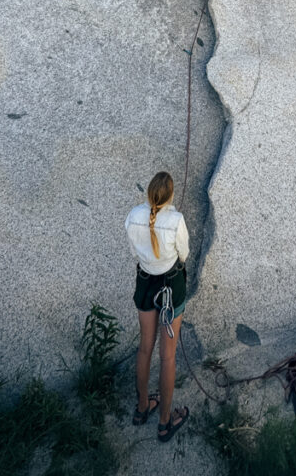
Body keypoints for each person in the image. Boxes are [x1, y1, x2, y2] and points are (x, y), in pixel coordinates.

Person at [126, 171, 190, 441]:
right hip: (170, 286)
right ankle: (165, 422)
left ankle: (142, 408)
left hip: (145, 283)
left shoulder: (132, 216)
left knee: (145, 348)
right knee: (168, 356)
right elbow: (183, 254)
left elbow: (134, 253)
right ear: (170, 196)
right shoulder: (176, 221)